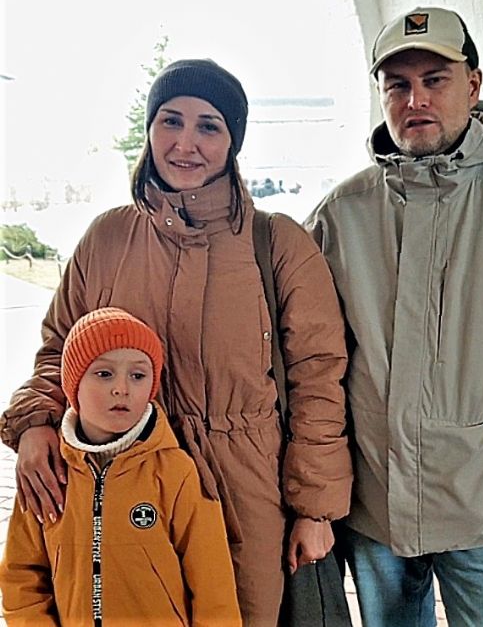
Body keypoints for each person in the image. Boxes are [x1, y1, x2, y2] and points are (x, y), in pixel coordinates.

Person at [0, 59, 353, 626]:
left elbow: (318, 378)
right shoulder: (107, 238)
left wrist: (315, 509)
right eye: (170, 120)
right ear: (149, 130)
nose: (185, 143)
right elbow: (60, 350)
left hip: (246, 493)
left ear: (233, 142)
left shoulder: (277, 244)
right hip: (121, 481)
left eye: (208, 125)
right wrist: (36, 421)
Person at [305, 6, 483, 626]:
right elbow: (308, 356)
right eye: (397, 84)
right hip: (376, 510)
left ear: (473, 84)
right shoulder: (342, 214)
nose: (415, 99)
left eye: (434, 79)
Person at [0, 307, 241, 626]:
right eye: (104, 374)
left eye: (137, 376)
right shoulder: (47, 471)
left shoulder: (174, 471)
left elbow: (214, 585)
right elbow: (22, 579)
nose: (122, 388)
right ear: (74, 384)